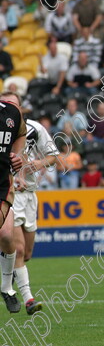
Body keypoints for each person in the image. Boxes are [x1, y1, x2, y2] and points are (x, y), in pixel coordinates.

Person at [8, 92, 59, 312]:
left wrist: (39, 163)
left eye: (13, 105)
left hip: (30, 194)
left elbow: (53, 156)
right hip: (9, 195)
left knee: (26, 253)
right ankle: (28, 300)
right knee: (18, 250)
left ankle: (6, 277)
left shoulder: (35, 129)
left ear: (21, 109)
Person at [0, 93, 27, 313]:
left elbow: (20, 133)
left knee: (8, 237)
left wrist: (16, 155)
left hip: (2, 184)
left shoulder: (12, 113)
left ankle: (7, 287)